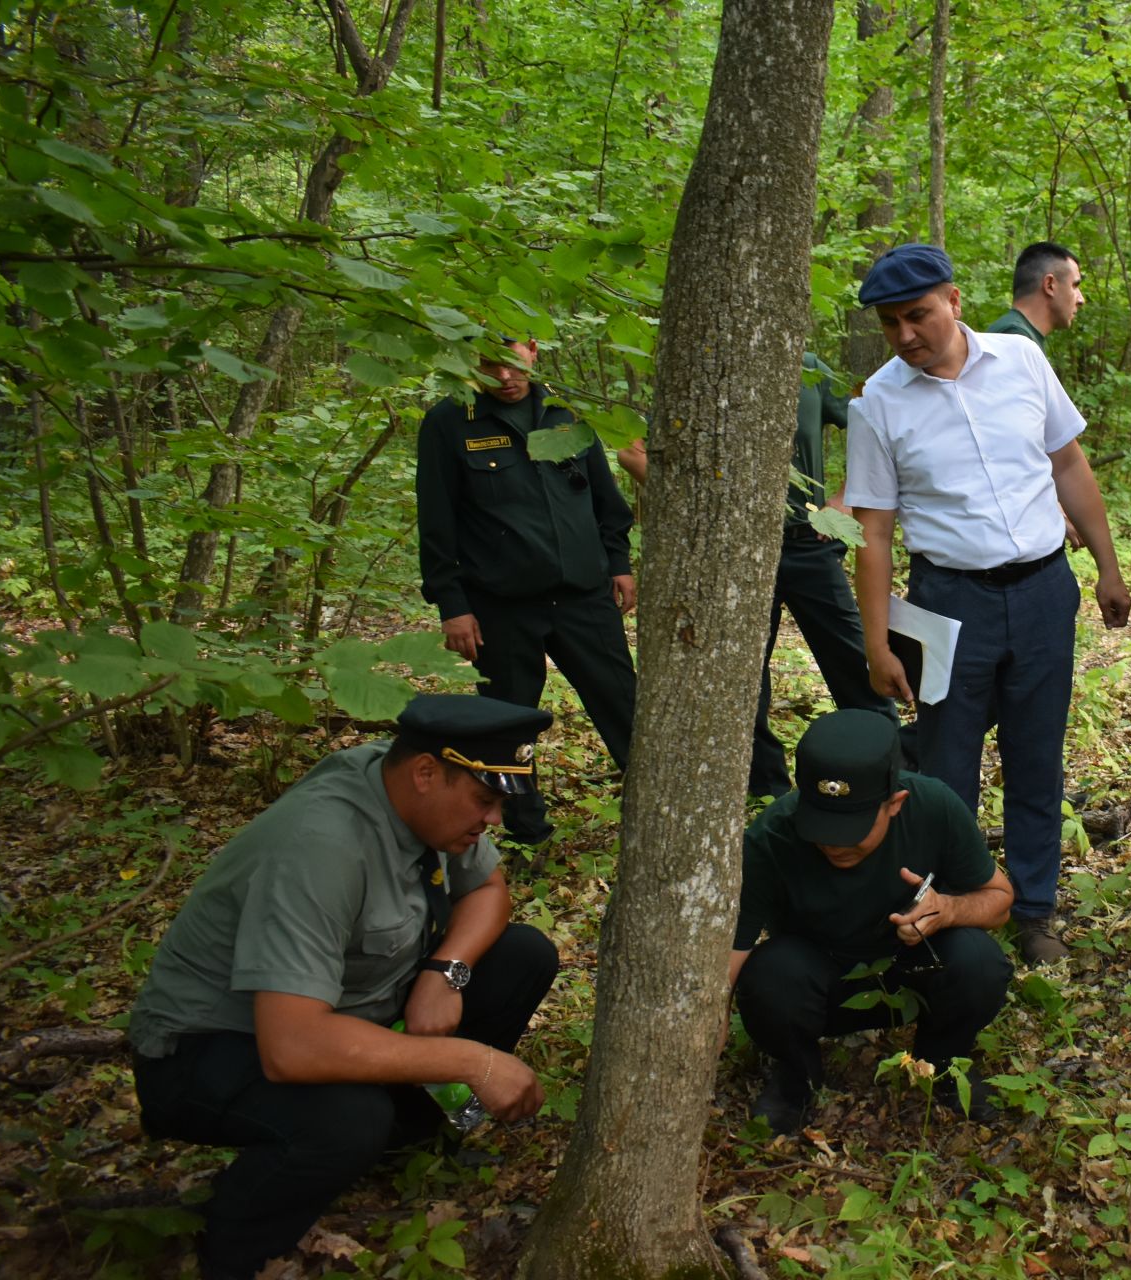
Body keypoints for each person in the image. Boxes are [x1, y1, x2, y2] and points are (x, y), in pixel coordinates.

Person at [129, 695, 561, 1280]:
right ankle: (236, 1251)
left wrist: (445, 973)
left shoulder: (413, 794)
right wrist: (472, 1061)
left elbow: (488, 892)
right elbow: (292, 1048)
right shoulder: (320, 845)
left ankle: (396, 1142)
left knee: (521, 955)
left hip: (352, 1008)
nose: (494, 821)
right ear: (427, 774)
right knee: (346, 1119)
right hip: (211, 1045)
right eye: (484, 801)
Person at [846, 243, 1131, 966]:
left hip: (1042, 591)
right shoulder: (878, 403)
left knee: (1037, 761)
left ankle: (1034, 912)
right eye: (890, 323)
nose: (905, 334)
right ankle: (946, 913)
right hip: (948, 604)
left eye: (918, 315)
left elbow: (1067, 461)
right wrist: (877, 642)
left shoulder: (1022, 361)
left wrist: (1107, 565)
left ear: (954, 300)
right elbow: (872, 530)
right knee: (947, 771)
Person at [617, 352, 900, 798]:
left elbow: (872, 430)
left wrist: (847, 498)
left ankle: (889, 773)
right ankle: (766, 791)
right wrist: (702, 510)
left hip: (809, 544)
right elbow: (630, 451)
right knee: (743, 676)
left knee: (853, 662)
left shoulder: (809, 370)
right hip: (735, 554)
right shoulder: (700, 362)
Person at [729, 709, 1015, 1133]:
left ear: (894, 803)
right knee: (767, 977)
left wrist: (948, 910)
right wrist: (706, 1022)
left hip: (910, 969)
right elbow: (734, 947)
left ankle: (940, 1065)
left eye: (852, 827)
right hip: (818, 981)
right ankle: (796, 1080)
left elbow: (1001, 900)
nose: (833, 843)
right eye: (821, 824)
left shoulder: (933, 806)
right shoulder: (772, 835)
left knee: (980, 963)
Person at [415, 335, 641, 844]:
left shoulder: (564, 414)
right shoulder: (450, 422)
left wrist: (619, 563)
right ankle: (526, 830)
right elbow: (436, 523)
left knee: (624, 706)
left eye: (514, 363)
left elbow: (605, 499)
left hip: (584, 598)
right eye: (490, 365)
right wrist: (452, 605)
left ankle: (656, 812)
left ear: (534, 351)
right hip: (501, 606)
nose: (505, 377)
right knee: (507, 724)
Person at [988, 241, 1084, 349]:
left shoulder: (1019, 334)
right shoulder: (1016, 337)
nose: (1081, 300)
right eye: (1074, 286)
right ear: (1049, 285)